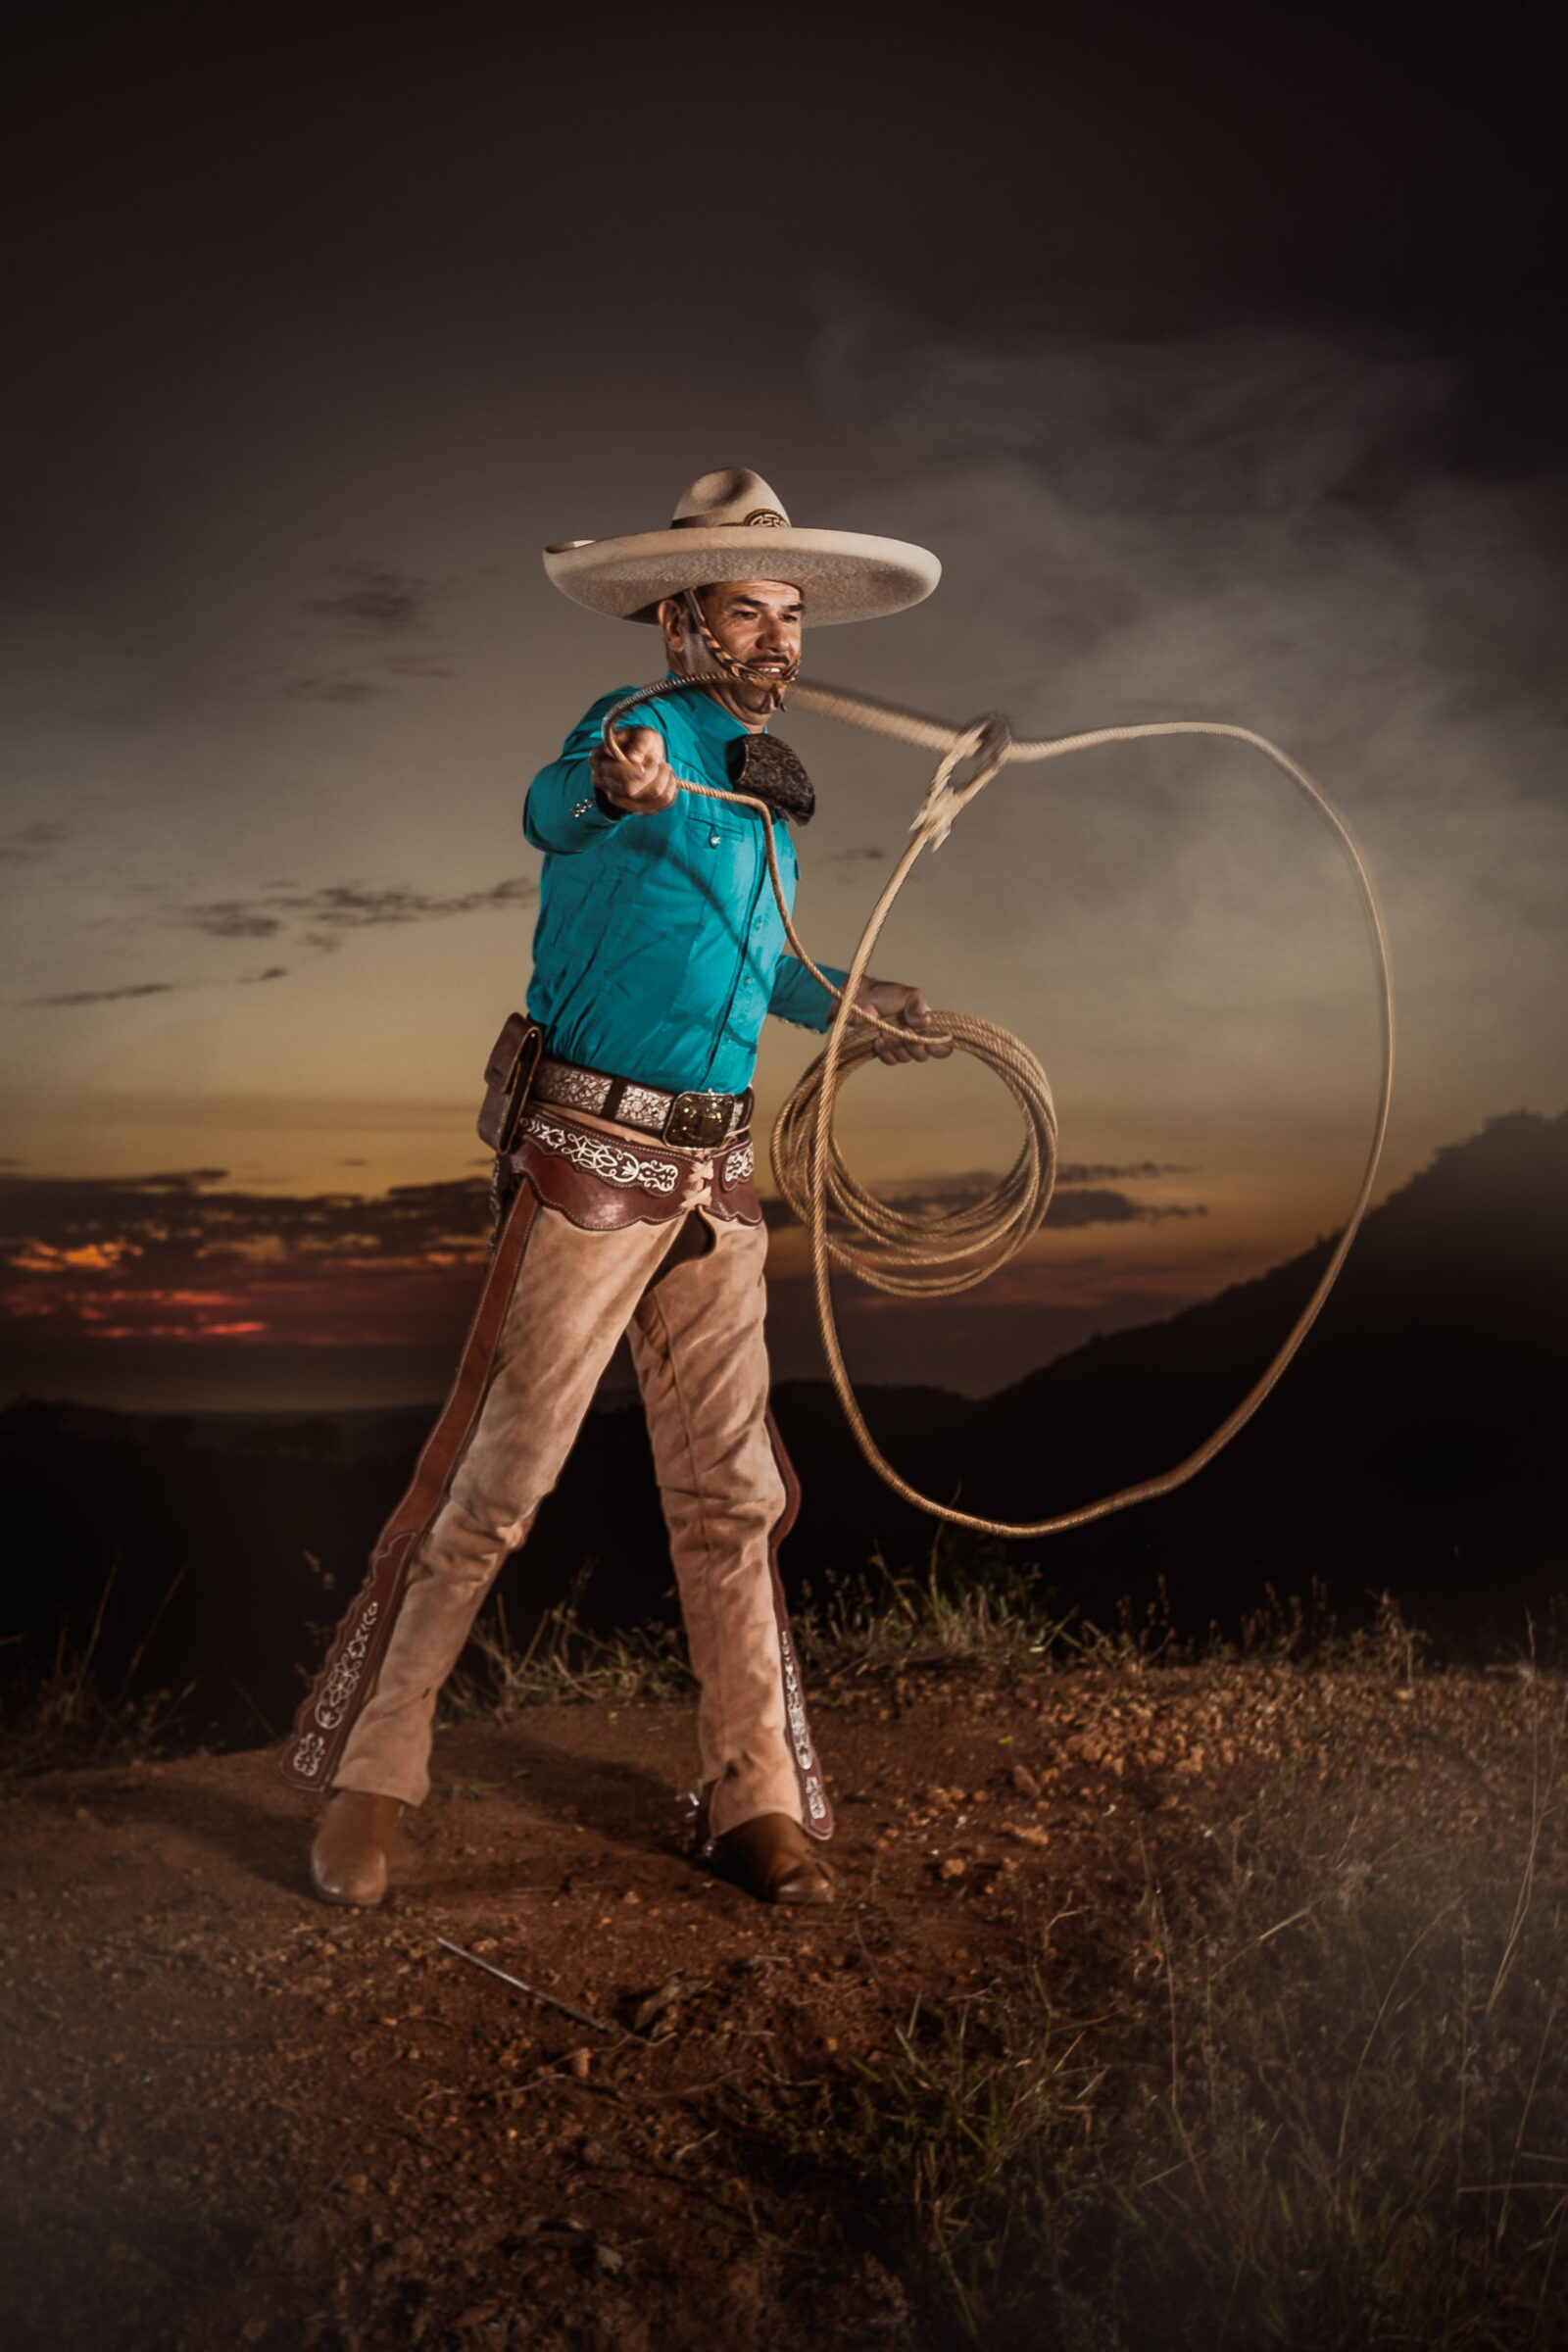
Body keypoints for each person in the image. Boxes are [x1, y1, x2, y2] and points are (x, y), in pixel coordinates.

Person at [282, 467, 945, 1907]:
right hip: (590, 1158)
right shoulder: (630, 734)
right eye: (744, 614)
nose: (776, 640)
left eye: (789, 618)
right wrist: (609, 780)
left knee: (733, 1490)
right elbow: (553, 807)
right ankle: (372, 1776)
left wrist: (859, 1005)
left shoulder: (762, 796)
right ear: (678, 624)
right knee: (496, 1479)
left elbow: (754, 962)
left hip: (715, 1165)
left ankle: (753, 1795)